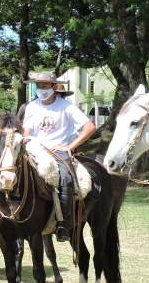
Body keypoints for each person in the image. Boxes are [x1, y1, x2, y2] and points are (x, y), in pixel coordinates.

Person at [20, 71, 95, 241]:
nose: (41, 89)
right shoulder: (32, 106)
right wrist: (24, 137)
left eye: (45, 85)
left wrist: (70, 146)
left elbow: (90, 127)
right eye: (39, 85)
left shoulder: (66, 107)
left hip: (58, 151)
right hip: (34, 148)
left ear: (54, 87)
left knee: (66, 178)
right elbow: (28, 129)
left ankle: (64, 225)